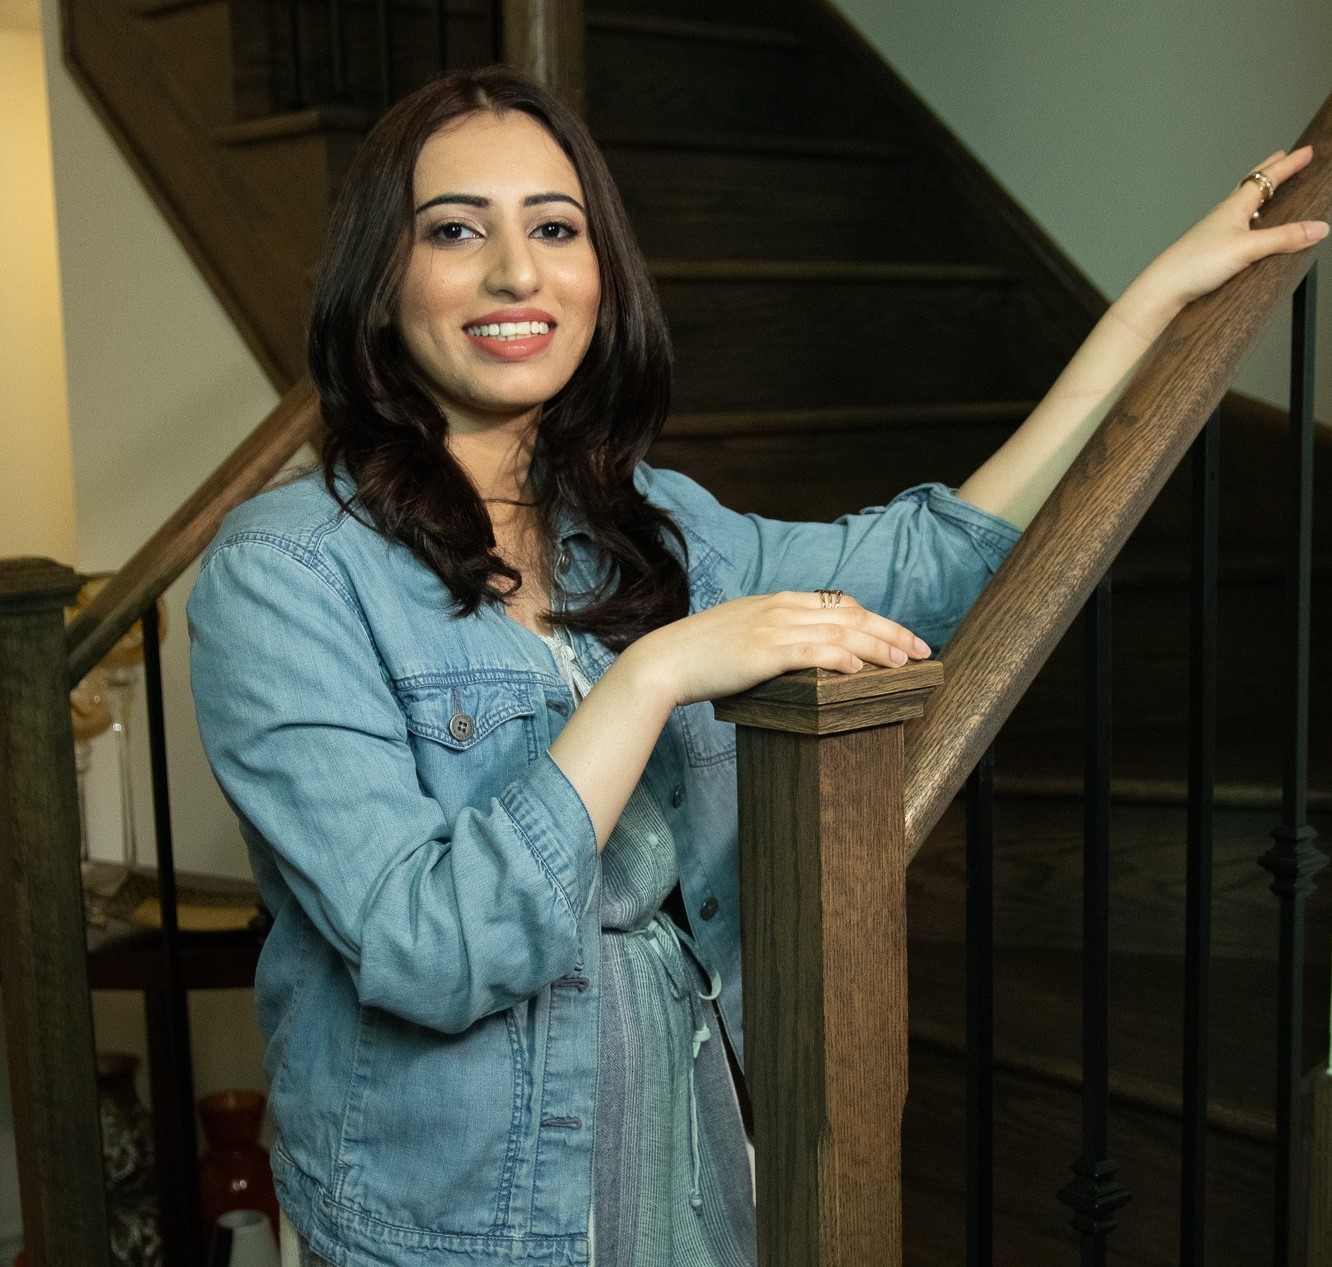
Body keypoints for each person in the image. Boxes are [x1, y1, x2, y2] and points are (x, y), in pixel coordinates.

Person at [187, 66, 1326, 1267]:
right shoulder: (286, 573)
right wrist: (656, 673)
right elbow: (433, 947)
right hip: (457, 1226)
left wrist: (1153, 307)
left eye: (556, 229)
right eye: (456, 230)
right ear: (380, 282)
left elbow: (931, 557)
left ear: (602, 275)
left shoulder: (648, 523)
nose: (518, 272)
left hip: (692, 1180)